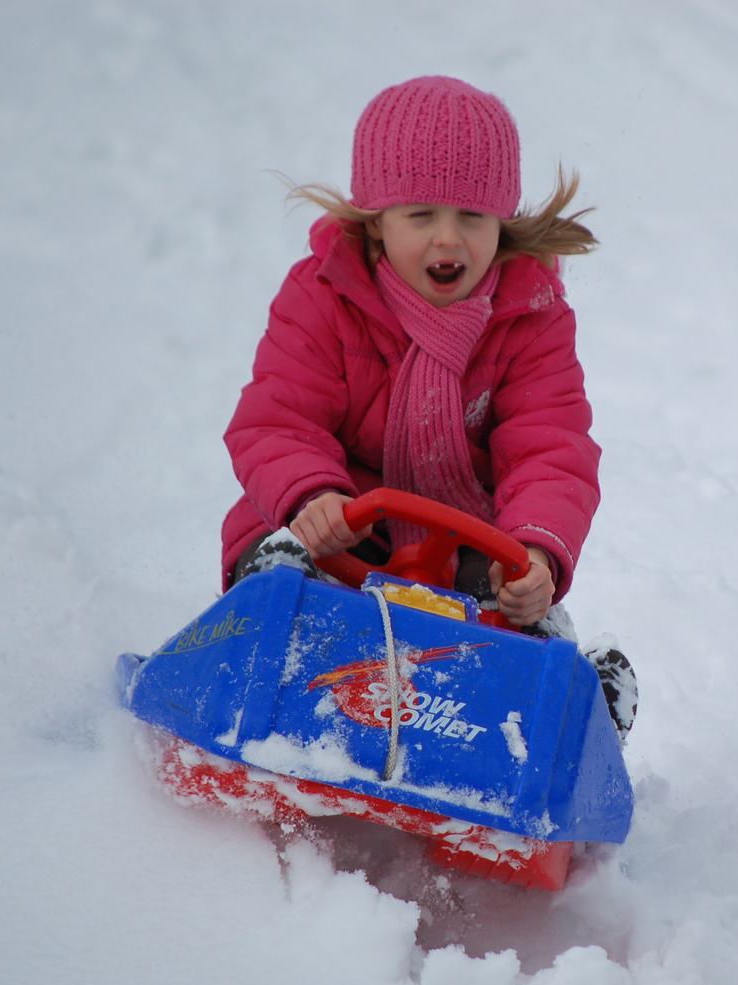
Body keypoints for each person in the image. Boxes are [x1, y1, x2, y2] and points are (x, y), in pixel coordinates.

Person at [219, 75, 634, 735]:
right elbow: (278, 416)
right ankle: (265, 637)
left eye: (472, 217)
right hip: (342, 526)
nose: (449, 239)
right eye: (421, 215)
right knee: (292, 570)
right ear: (376, 225)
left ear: (502, 223)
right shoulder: (323, 296)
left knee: (513, 608)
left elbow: (550, 445)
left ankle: (568, 712)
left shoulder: (531, 315)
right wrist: (308, 497)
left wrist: (534, 553)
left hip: (468, 539)